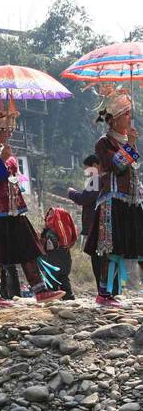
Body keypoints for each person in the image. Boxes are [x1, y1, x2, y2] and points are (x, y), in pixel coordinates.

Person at [0, 106, 64, 306]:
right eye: (7, 129)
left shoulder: (12, 158)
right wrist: (1, 162)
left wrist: (6, 161)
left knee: (28, 248)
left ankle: (40, 290)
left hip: (14, 211)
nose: (10, 133)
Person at [84, 86, 143, 306]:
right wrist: (131, 146)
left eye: (129, 113)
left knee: (140, 247)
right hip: (112, 200)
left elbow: (132, 170)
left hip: (132, 200)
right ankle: (104, 294)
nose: (130, 118)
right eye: (126, 114)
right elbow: (115, 166)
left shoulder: (126, 141)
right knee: (111, 249)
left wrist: (130, 145)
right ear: (115, 119)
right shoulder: (104, 142)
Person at [67, 155, 102, 295]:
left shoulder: (95, 178)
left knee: (97, 258)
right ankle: (111, 291)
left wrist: (71, 193)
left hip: (95, 225)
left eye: (87, 169)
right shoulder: (108, 178)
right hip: (104, 224)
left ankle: (103, 292)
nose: (86, 172)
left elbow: (84, 198)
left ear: (95, 165)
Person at [41, 207, 78, 300]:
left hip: (53, 256)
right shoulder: (67, 237)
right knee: (63, 277)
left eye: (51, 214)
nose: (49, 216)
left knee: (52, 276)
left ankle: (53, 296)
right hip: (64, 254)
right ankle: (68, 297)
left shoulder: (50, 231)